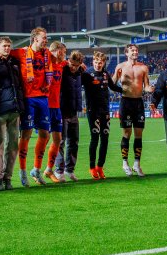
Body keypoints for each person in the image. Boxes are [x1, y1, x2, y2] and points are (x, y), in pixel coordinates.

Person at [11, 27, 53, 186]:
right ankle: (22, 171)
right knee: (26, 134)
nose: (46, 40)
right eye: (44, 37)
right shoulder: (21, 52)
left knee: (45, 134)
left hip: (43, 97)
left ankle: (36, 169)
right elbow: (4, 53)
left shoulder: (47, 54)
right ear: (35, 39)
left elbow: (61, 60)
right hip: (28, 98)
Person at [0, 36, 25, 191]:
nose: (7, 48)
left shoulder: (15, 63)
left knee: (13, 145)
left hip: (15, 110)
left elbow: (19, 86)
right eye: (4, 46)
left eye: (9, 46)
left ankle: (8, 177)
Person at [113, 43, 152, 177]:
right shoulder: (120, 67)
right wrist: (115, 76)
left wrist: (150, 89)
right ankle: (125, 163)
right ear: (126, 53)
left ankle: (137, 164)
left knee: (139, 134)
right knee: (126, 133)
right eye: (132, 51)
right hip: (126, 102)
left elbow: (146, 86)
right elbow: (112, 84)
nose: (135, 52)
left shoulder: (144, 68)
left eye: (136, 50)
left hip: (139, 103)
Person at [82, 50, 117, 179]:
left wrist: (127, 91)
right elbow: (77, 85)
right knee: (94, 139)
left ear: (104, 63)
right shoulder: (87, 74)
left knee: (105, 140)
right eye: (96, 62)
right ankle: (92, 168)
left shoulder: (106, 74)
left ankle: (100, 167)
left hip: (105, 111)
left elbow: (113, 87)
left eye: (101, 62)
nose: (98, 64)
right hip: (93, 111)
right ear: (93, 61)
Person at [42, 41, 68, 182]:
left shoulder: (61, 64)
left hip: (56, 107)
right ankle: (36, 170)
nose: (65, 55)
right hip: (45, 106)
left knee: (57, 140)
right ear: (58, 51)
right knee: (44, 139)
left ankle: (48, 169)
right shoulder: (46, 63)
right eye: (64, 52)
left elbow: (71, 62)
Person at [58, 50, 85, 181]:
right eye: (72, 64)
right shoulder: (62, 69)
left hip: (74, 112)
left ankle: (70, 170)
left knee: (74, 142)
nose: (74, 68)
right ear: (69, 61)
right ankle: (59, 170)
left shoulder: (80, 72)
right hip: (62, 111)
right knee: (61, 142)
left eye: (77, 65)